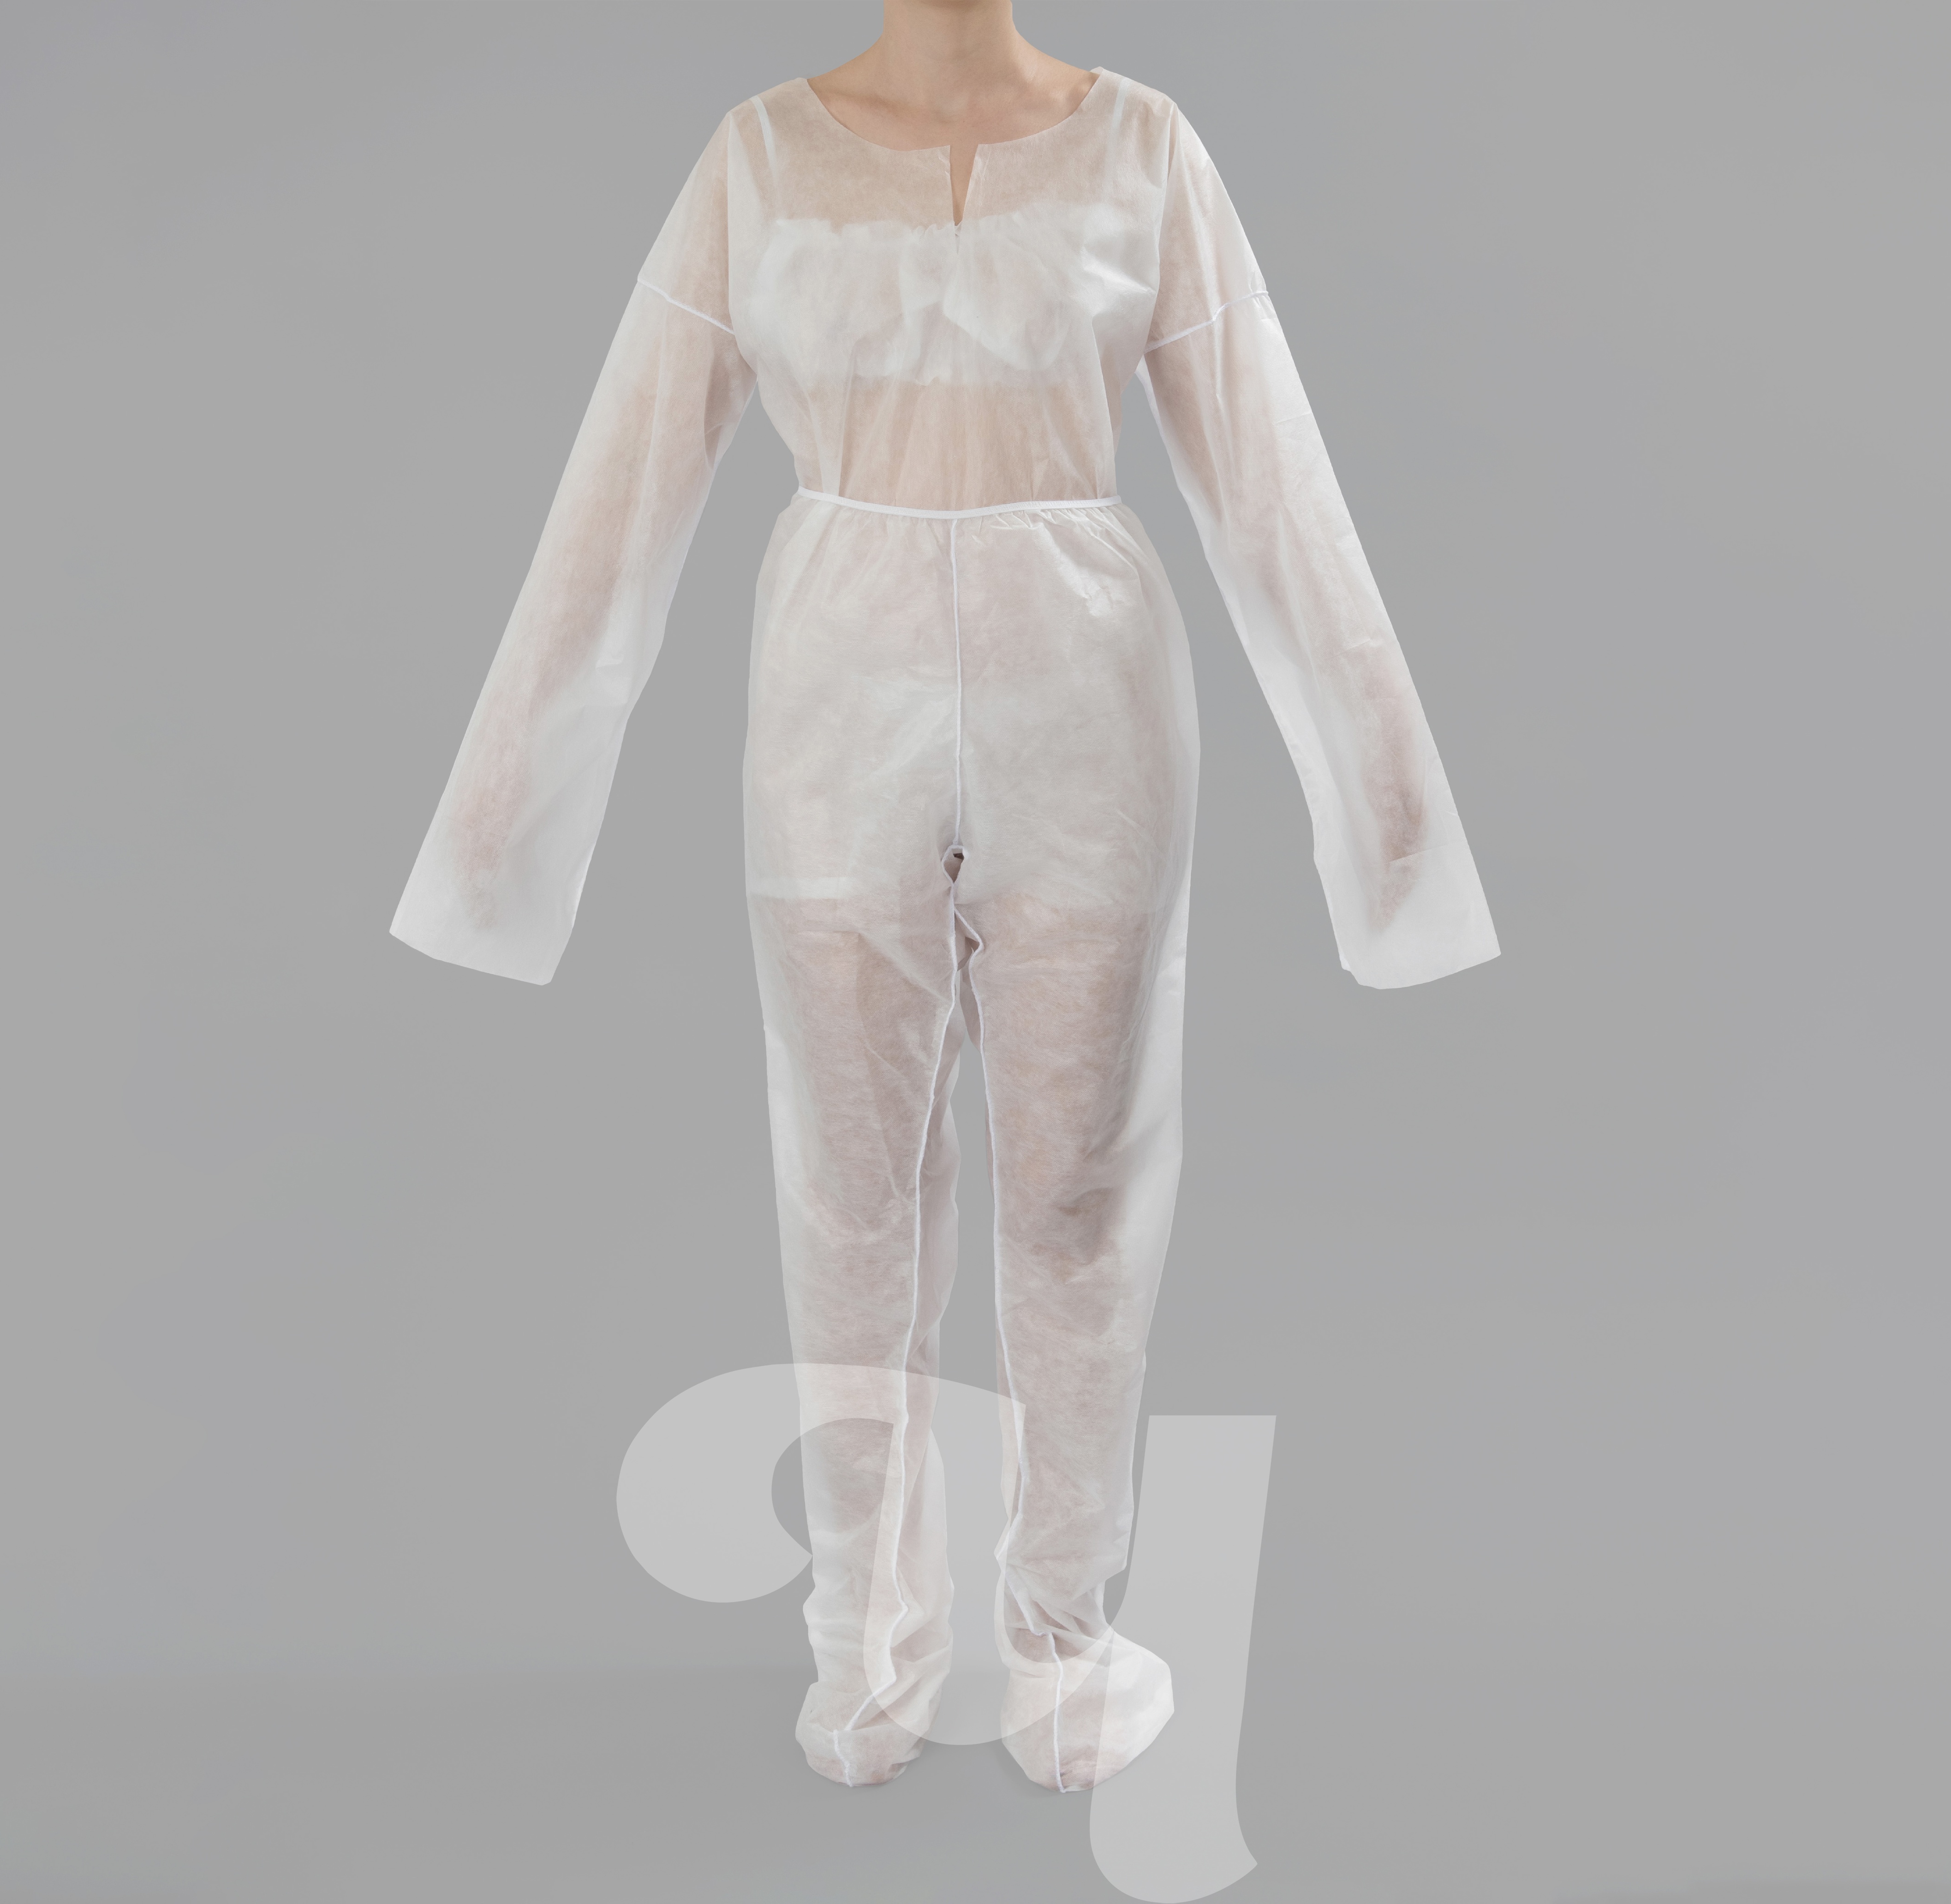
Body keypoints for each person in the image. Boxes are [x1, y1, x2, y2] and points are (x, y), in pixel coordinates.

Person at [388, 12, 1498, 1792]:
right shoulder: (760, 160)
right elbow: (623, 480)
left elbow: (1272, 474)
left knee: (1078, 1190)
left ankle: (1058, 1643)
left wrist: (1392, 806)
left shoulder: (1143, 150)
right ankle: (869, 1650)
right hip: (837, 701)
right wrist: (498, 814)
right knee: (851, 1192)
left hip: (1087, 695)